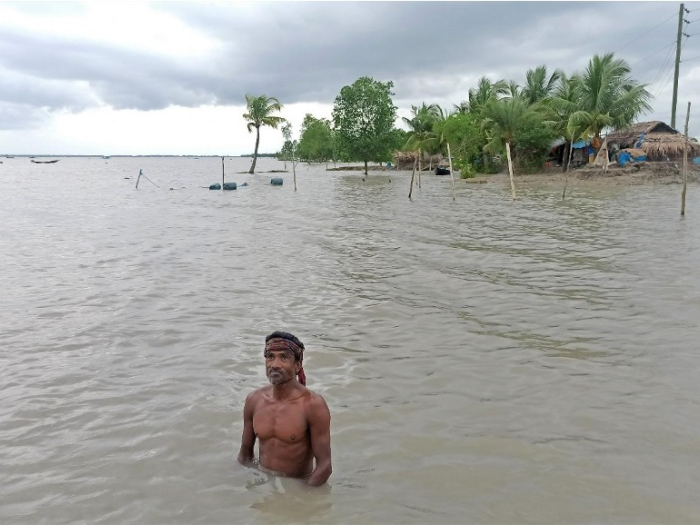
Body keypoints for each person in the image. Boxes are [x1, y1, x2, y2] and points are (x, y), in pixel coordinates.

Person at [237, 331, 332, 486]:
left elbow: (325, 466)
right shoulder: (254, 400)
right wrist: (248, 488)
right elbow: (245, 456)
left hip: (298, 484)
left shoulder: (312, 405)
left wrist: (299, 499)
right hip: (265, 484)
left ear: (297, 365)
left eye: (284, 357)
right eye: (270, 357)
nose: (275, 364)